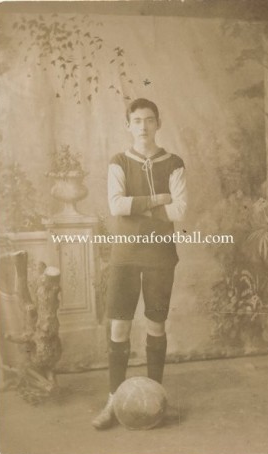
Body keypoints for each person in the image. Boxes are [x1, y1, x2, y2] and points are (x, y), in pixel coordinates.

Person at [92, 98, 188, 429]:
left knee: (155, 325)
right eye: (137, 120)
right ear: (128, 126)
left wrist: (141, 208)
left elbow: (181, 210)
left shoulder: (174, 162)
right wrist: (159, 200)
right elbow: (117, 205)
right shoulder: (118, 161)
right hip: (125, 254)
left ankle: (155, 400)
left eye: (149, 120)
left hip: (161, 253)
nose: (143, 126)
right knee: (118, 326)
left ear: (158, 123)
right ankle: (112, 402)